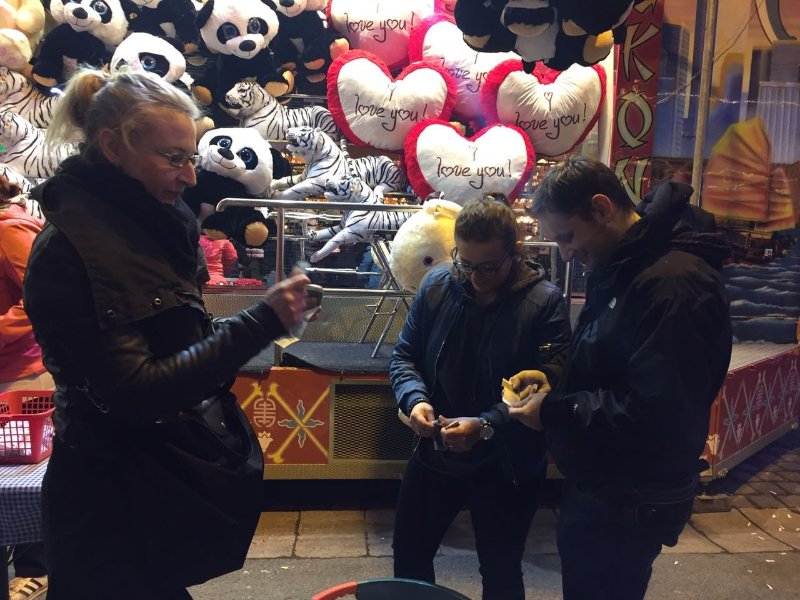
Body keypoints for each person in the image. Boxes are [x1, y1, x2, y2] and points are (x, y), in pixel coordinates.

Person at [22, 68, 315, 600]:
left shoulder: (145, 225)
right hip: (107, 506)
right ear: (113, 147)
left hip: (147, 486)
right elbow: (136, 391)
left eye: (191, 157)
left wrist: (262, 319)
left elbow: (177, 338)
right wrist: (261, 322)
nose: (190, 177)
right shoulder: (75, 246)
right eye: (173, 158)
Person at [507, 157, 732, 600]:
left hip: (628, 496)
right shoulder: (626, 265)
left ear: (601, 208)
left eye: (567, 237)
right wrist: (558, 381)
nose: (565, 253)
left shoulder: (673, 285)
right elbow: (613, 359)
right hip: (608, 487)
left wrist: (554, 410)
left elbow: (656, 412)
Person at [389, 197, 572, 600]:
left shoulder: (544, 302)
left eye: (488, 267)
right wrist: (414, 400)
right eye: (465, 263)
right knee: (409, 556)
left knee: (501, 568)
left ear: (515, 251)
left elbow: (547, 384)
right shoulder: (437, 285)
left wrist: (487, 424)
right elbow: (404, 356)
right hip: (436, 452)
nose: (475, 277)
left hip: (507, 461)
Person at [0, 175, 51, 600]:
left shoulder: (9, 231)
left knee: (24, 475)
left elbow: (41, 297)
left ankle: (36, 568)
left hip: (21, 373)